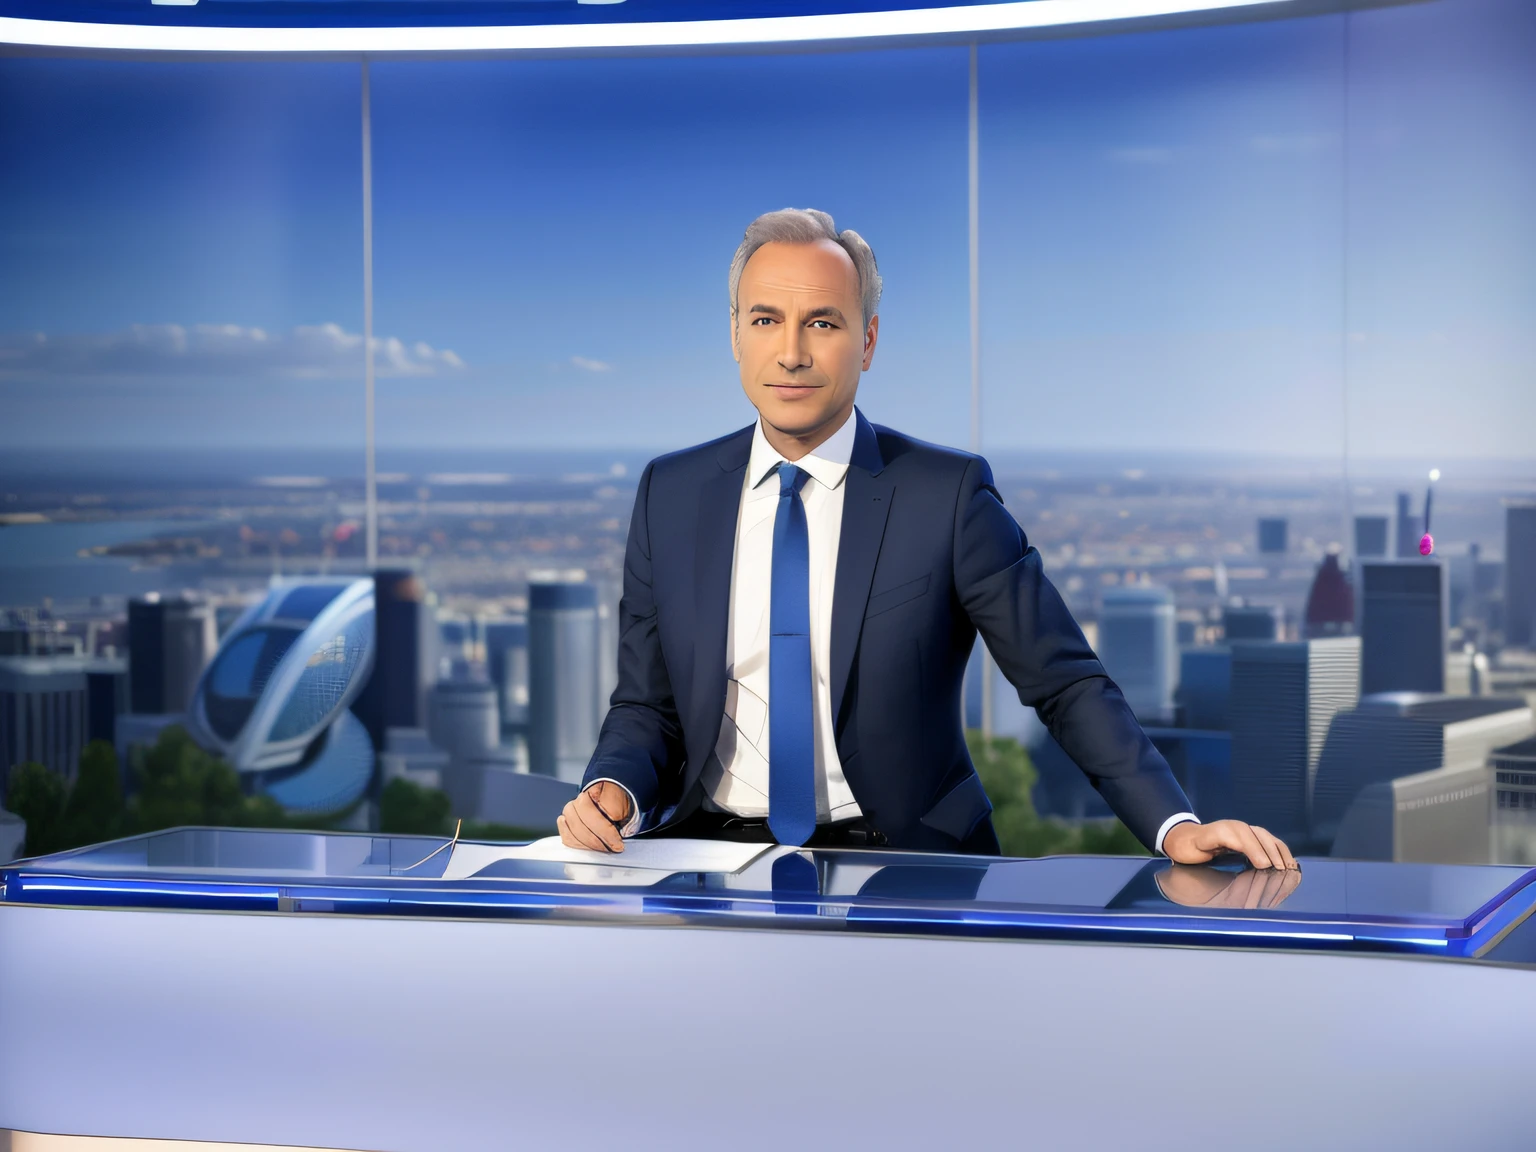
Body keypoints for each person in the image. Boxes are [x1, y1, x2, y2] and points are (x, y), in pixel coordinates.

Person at [558, 207, 1296, 871]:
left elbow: (1063, 682)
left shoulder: (947, 495)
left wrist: (1172, 826)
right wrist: (612, 786)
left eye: (822, 322)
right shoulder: (671, 492)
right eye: (764, 321)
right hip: (708, 852)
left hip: (905, 858)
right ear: (734, 335)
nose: (790, 353)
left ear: (867, 340)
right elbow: (646, 705)